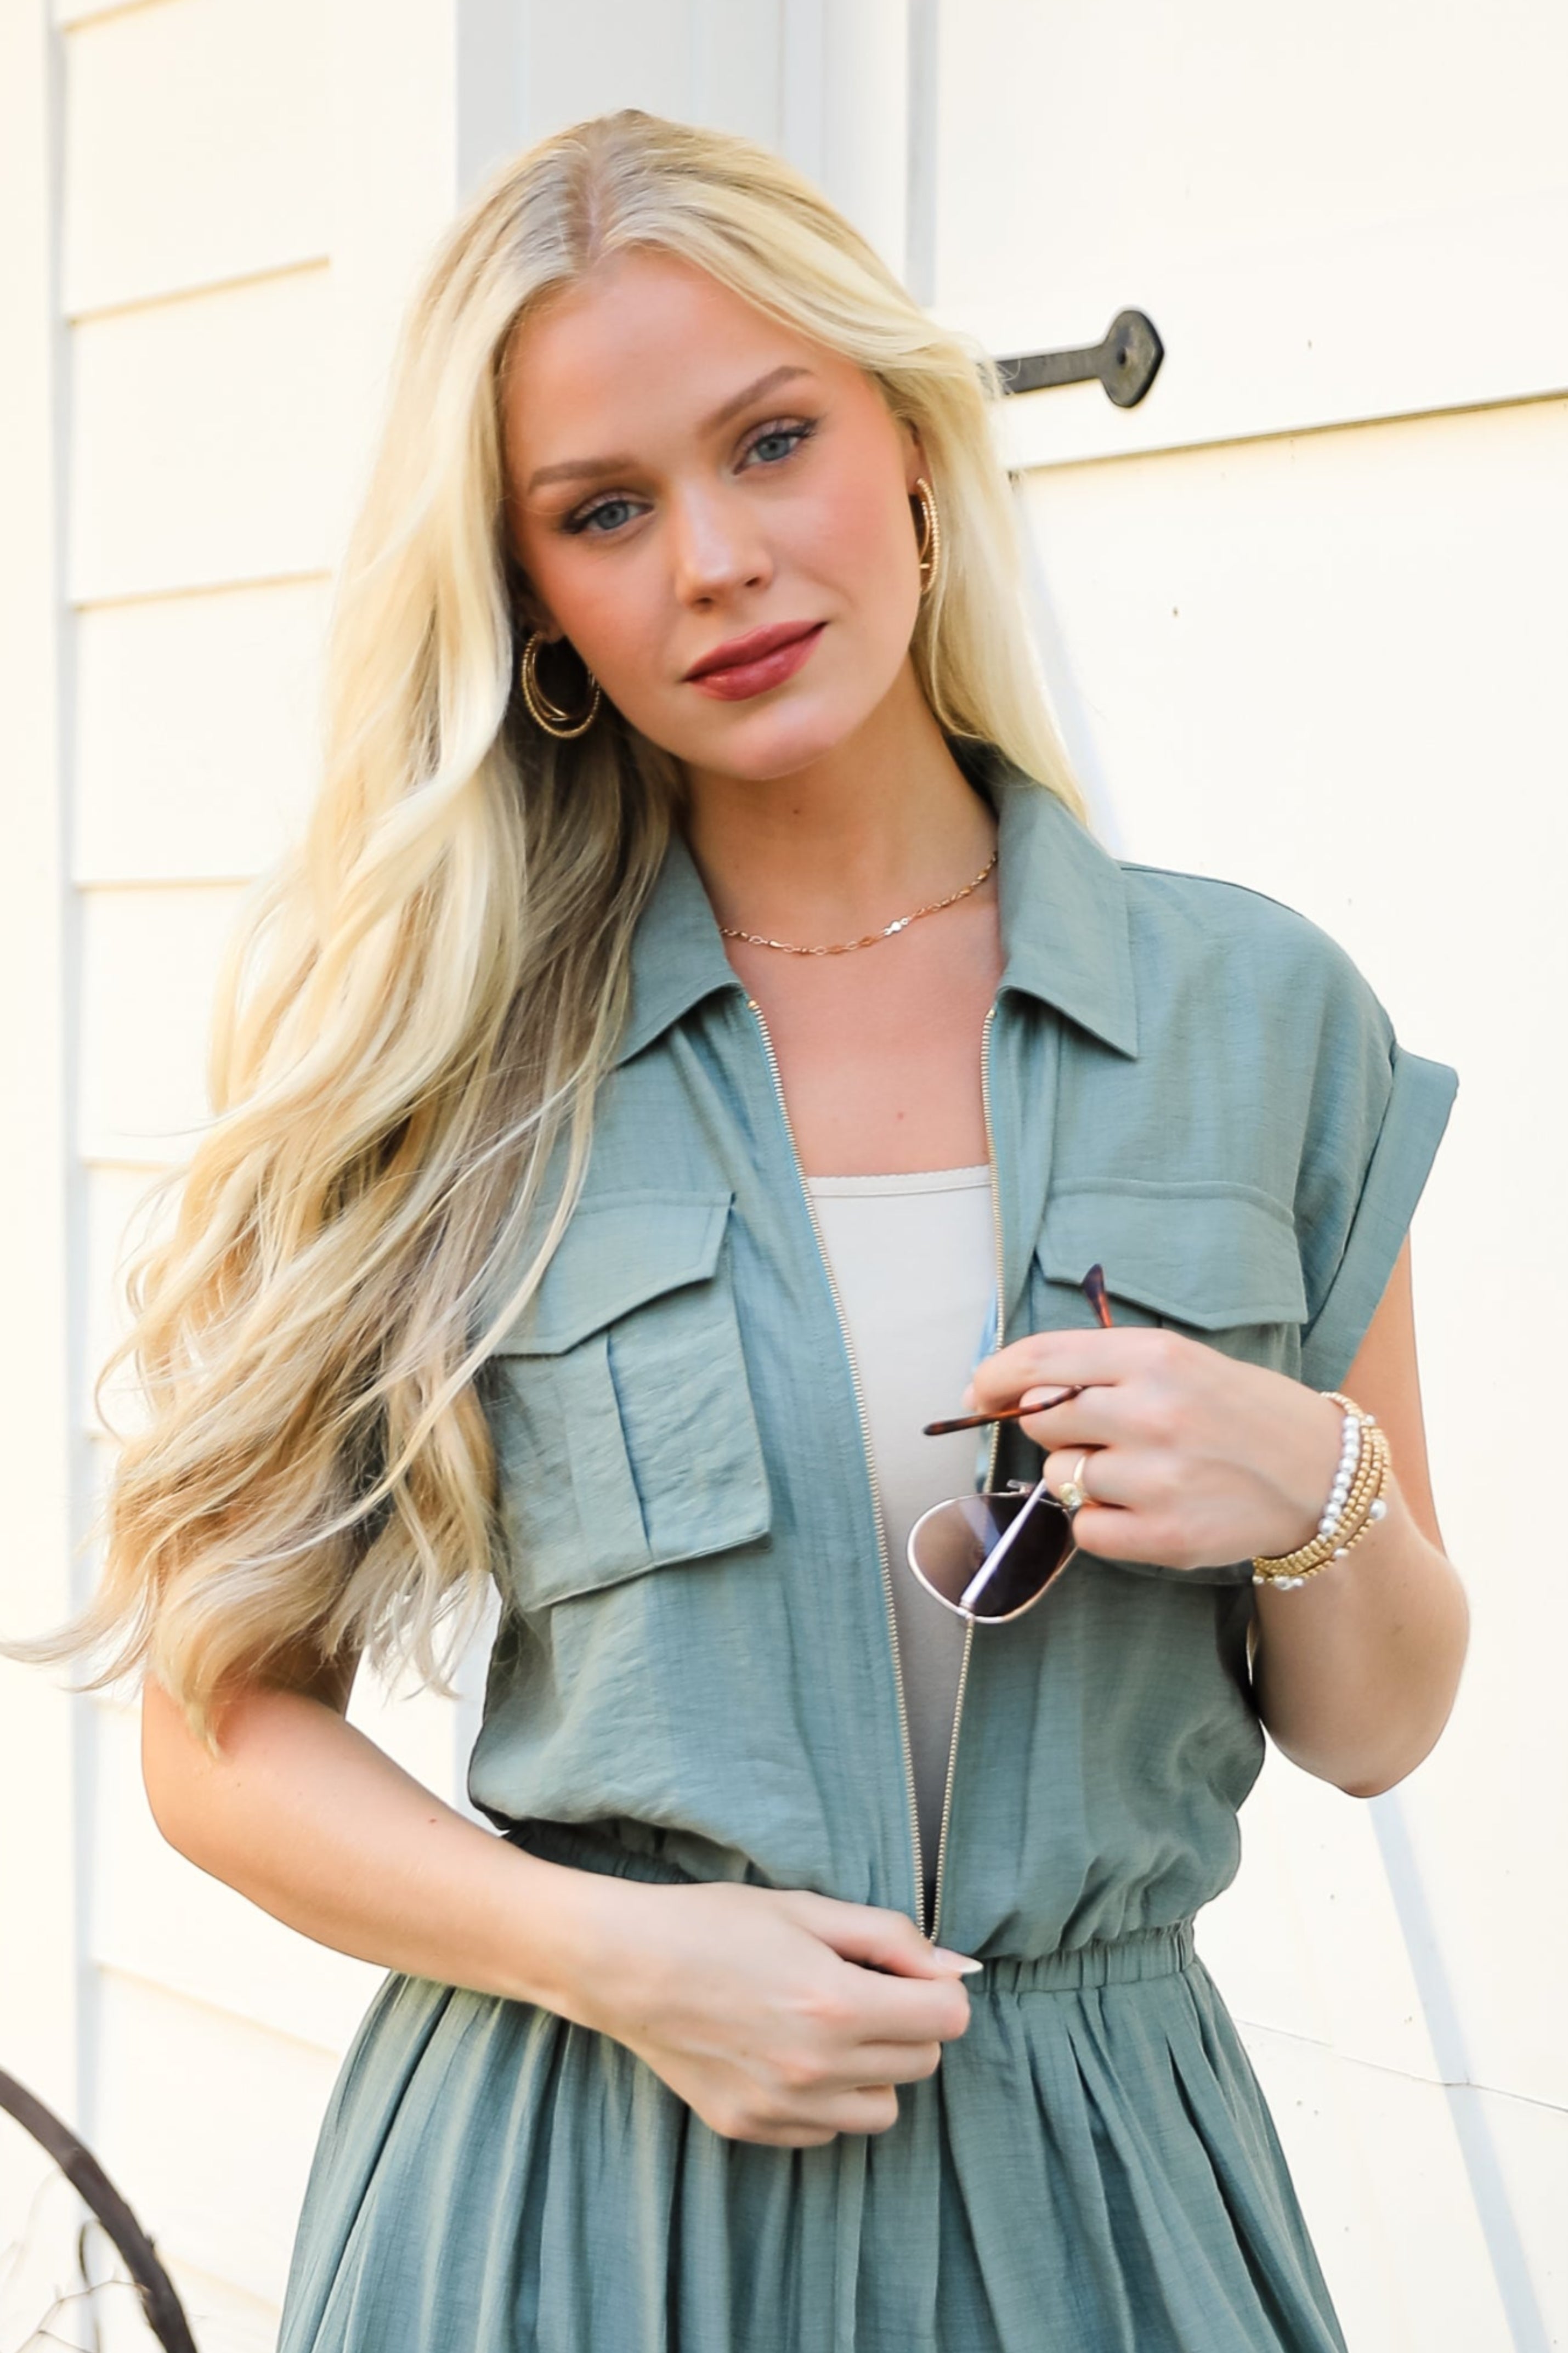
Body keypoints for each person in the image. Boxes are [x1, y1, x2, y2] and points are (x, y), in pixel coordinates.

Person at [22, 110, 1468, 2353]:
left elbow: (1375, 1720)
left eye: (769, 438)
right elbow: (221, 1728)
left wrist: (1309, 1482)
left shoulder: (1259, 1016)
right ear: (534, 602)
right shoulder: (452, 1052)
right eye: (604, 509)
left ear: (904, 442)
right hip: (571, 2203)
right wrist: (617, 1953)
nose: (712, 555)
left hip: (1093, 2198)